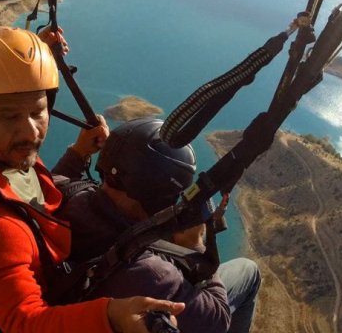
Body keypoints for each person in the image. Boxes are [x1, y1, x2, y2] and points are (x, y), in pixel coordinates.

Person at [0, 26, 184, 333]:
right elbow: (25, 323)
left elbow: (27, 186)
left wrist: (78, 153)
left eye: (38, 111)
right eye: (10, 116)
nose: (30, 131)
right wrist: (110, 317)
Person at [60, 118, 261, 333]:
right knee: (249, 271)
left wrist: (78, 153)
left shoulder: (62, 193)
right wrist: (195, 246)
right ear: (158, 198)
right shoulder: (149, 272)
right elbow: (217, 321)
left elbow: (58, 178)